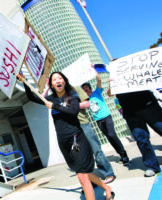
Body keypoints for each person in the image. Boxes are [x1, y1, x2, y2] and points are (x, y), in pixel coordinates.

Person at [17, 72, 114, 200]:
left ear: (64, 81)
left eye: (60, 78)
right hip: (63, 141)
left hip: (76, 139)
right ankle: (106, 188)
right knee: (85, 173)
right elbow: (32, 98)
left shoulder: (71, 95)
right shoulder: (51, 99)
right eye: (54, 79)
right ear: (51, 84)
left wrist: (55, 106)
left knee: (82, 176)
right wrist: (24, 82)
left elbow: (73, 111)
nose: (58, 80)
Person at [107, 84, 162, 177]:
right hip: (130, 112)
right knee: (141, 138)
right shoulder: (115, 76)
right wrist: (111, 84)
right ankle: (152, 166)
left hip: (148, 105)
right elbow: (110, 94)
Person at [81, 66, 130, 166]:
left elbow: (98, 79)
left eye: (87, 88)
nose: (86, 90)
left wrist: (92, 69)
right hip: (98, 121)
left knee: (112, 135)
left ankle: (124, 154)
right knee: (109, 137)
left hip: (106, 117)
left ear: (89, 87)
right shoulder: (85, 100)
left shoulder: (97, 92)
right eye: (84, 90)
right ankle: (121, 154)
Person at [75, 86, 116, 184]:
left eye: (60, 78)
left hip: (83, 124)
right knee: (80, 155)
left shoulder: (75, 89)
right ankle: (89, 179)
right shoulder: (56, 96)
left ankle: (108, 172)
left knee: (96, 149)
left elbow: (87, 104)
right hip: (70, 128)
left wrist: (70, 106)